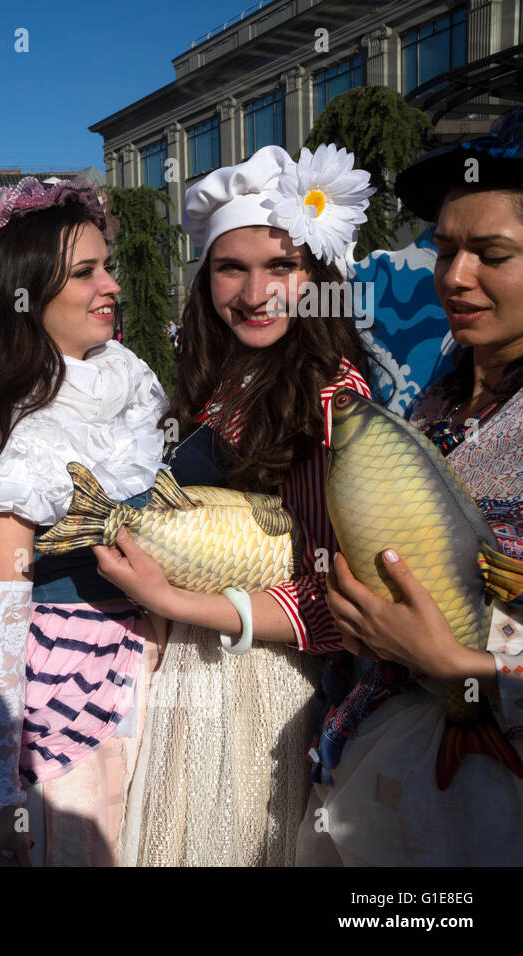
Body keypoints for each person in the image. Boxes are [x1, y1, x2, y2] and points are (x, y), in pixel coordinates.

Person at [104, 145, 376, 866]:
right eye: (231, 268)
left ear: (318, 278)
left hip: (260, 686)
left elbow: (331, 603)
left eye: (281, 267)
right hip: (197, 666)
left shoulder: (333, 399)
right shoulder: (230, 372)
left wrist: (169, 599)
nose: (255, 293)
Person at [0, 177, 169, 865]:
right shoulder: (6, 421)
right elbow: (1, 615)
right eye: (85, 273)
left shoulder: (129, 381)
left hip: (162, 670)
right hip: (70, 693)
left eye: (107, 266)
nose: (111, 286)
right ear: (27, 296)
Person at [297, 112, 523, 865]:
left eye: (492, 254)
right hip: (397, 758)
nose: (455, 277)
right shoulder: (437, 398)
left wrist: (467, 671)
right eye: (446, 249)